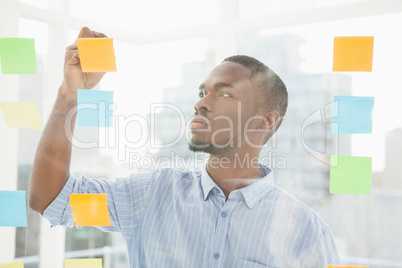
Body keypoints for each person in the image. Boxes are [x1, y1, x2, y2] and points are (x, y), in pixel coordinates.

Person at [29, 27, 340, 267]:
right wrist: (70, 95)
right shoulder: (152, 194)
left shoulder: (306, 233)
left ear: (265, 121)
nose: (200, 103)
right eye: (203, 91)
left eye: (225, 94)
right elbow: (51, 199)